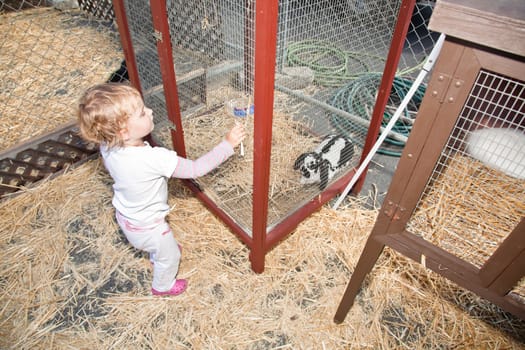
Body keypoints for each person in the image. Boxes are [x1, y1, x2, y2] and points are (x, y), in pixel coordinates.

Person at [77, 83, 246, 296]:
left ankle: (158, 251)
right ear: (123, 131)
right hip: (149, 226)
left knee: (161, 247)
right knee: (170, 257)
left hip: (126, 216)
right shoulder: (153, 158)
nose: (150, 111)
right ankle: (162, 286)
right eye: (141, 113)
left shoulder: (108, 145)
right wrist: (227, 144)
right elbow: (196, 169)